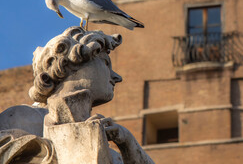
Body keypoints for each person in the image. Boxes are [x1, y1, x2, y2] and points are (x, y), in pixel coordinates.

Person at [0, 26, 154, 164]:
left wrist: (127, 142)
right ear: (71, 62)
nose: (116, 77)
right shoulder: (22, 118)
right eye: (106, 63)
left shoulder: (112, 152)